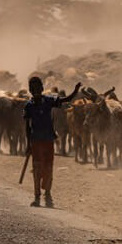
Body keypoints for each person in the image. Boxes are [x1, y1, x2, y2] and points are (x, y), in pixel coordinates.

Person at [24, 76, 81, 207]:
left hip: (48, 140)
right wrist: (28, 145)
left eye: (38, 87)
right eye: (33, 88)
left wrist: (75, 90)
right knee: (37, 168)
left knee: (48, 168)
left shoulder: (49, 101)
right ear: (30, 90)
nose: (36, 90)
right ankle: (36, 195)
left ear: (42, 88)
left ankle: (47, 192)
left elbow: (66, 99)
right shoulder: (28, 106)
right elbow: (27, 126)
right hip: (35, 141)